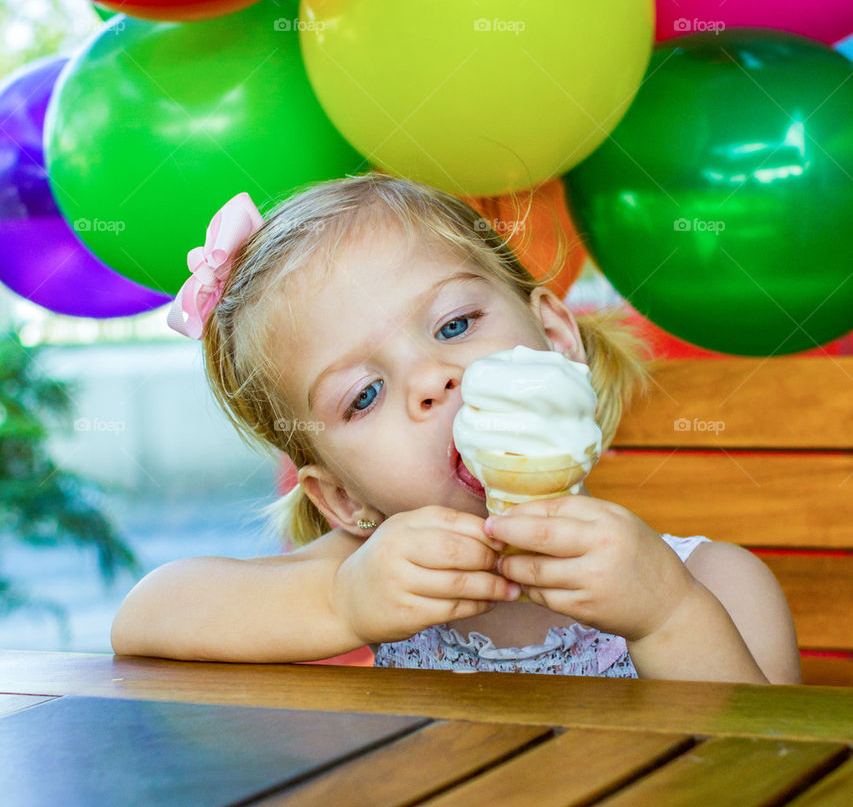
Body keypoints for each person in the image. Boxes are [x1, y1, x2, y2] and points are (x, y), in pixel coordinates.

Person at [111, 172, 801, 682]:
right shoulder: (363, 573)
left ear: (558, 339)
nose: (432, 378)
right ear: (345, 501)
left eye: (453, 325)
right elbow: (145, 618)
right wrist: (343, 602)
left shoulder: (714, 582)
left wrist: (666, 617)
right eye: (366, 394)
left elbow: (768, 773)